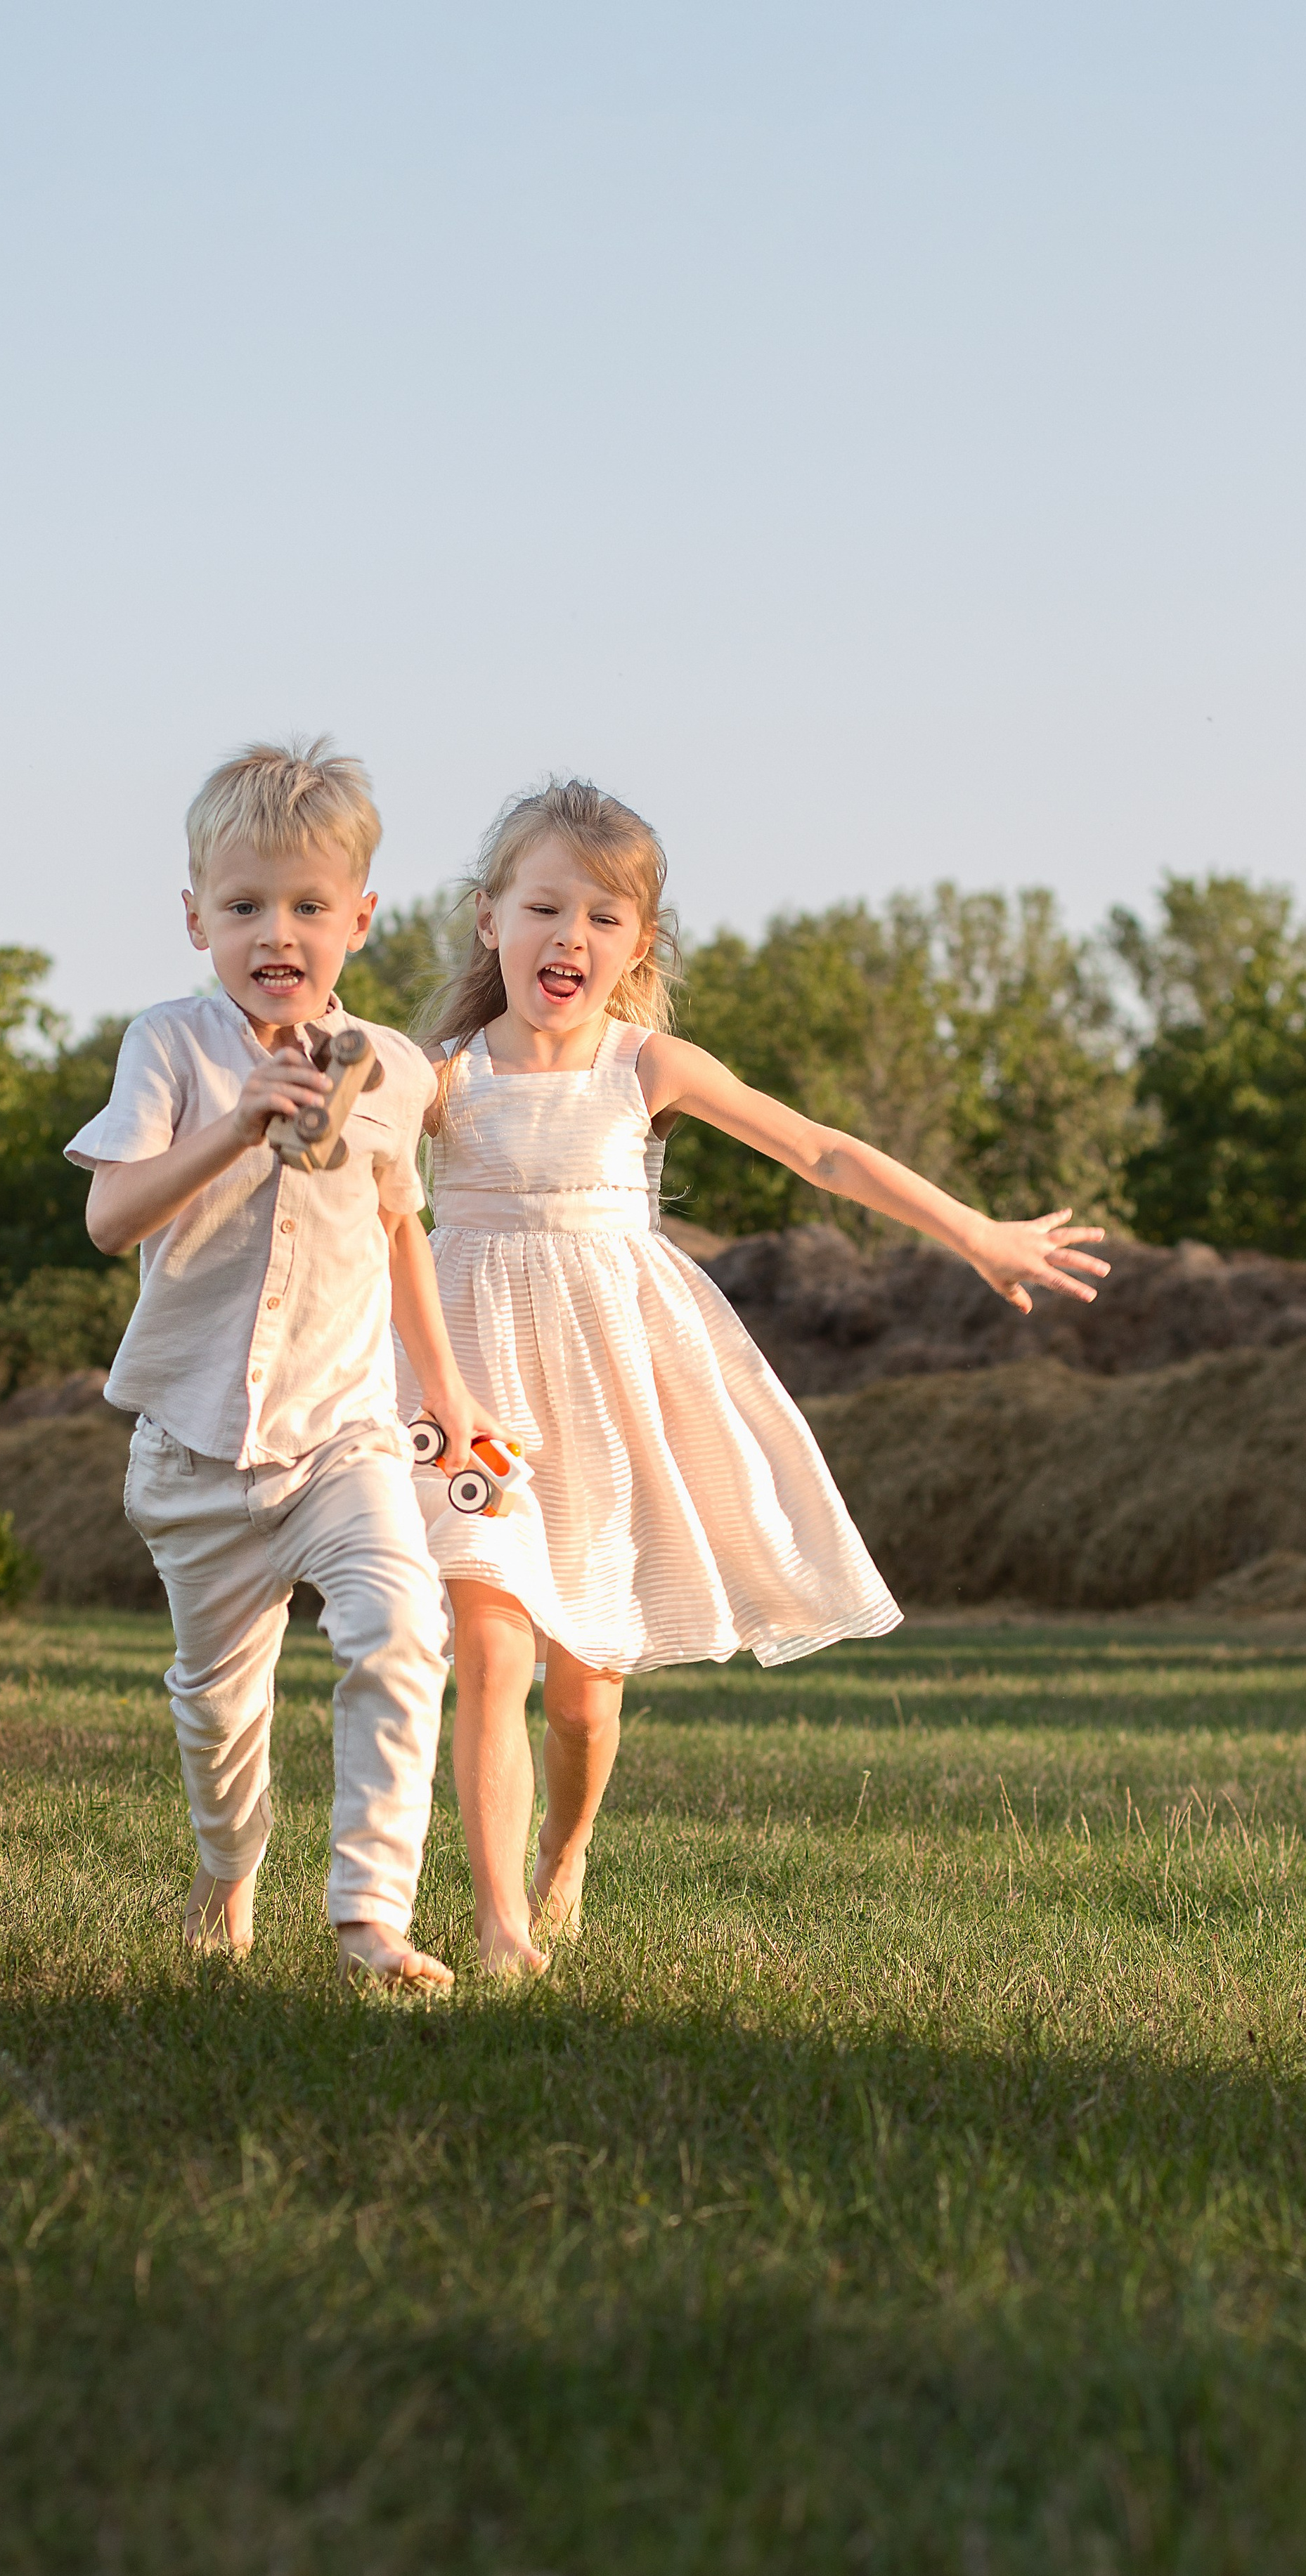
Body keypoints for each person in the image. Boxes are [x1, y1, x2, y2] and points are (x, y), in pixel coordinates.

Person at [407, 779, 1110, 1973]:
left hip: (607, 1396)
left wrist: (977, 1232)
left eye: (604, 917)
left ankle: (563, 1857)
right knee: (488, 1648)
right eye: (542, 907)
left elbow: (823, 1150)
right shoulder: (441, 1078)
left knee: (583, 1695)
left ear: (637, 948)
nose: (568, 936)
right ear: (490, 920)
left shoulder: (648, 1066)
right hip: (469, 1390)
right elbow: (336, 1172)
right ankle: (498, 1927)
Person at [68, 739, 503, 1986]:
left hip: (341, 1437)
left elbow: (396, 1229)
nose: (279, 931)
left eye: (309, 906)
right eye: (247, 905)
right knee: (217, 1711)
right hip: (195, 1451)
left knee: (402, 1624)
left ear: (357, 918)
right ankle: (228, 1866)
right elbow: (111, 1222)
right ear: (196, 913)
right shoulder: (169, 1047)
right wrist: (239, 1122)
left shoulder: (395, 1071)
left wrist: (452, 1392)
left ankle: (370, 1915)